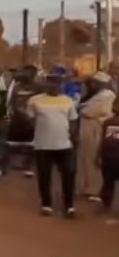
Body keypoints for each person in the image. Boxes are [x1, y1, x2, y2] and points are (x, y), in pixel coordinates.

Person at [27, 69, 79, 218]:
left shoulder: (67, 100)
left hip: (64, 145)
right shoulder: (35, 100)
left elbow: (73, 120)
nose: (55, 85)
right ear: (46, 84)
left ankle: (69, 206)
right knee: (44, 176)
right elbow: (31, 120)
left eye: (58, 82)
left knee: (68, 175)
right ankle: (46, 204)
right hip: (43, 144)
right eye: (51, 82)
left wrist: (73, 137)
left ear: (61, 84)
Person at [77, 72, 115, 201]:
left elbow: (88, 111)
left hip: (95, 128)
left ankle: (94, 189)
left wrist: (81, 108)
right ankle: (86, 187)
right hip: (87, 127)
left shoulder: (107, 95)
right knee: (85, 158)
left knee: (93, 158)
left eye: (94, 83)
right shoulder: (94, 95)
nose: (91, 85)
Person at [96, 98, 119, 223]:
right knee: (107, 183)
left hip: (109, 157)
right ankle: (105, 205)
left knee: (108, 183)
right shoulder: (107, 122)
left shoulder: (108, 122)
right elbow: (102, 141)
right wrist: (98, 155)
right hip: (109, 157)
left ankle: (105, 205)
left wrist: (98, 155)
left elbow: (102, 141)